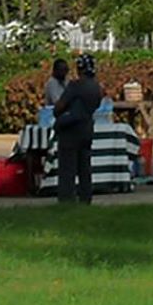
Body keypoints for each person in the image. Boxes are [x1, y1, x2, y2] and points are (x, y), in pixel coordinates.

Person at [53, 54, 103, 204]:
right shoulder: (96, 87)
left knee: (68, 168)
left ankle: (66, 200)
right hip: (87, 129)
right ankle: (85, 199)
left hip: (70, 130)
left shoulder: (76, 85)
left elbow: (59, 107)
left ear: (79, 68)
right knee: (84, 167)